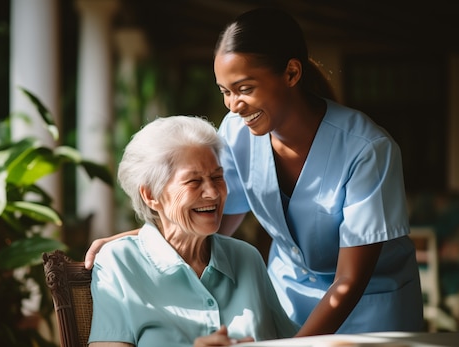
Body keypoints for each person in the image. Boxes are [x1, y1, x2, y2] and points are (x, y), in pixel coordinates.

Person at [86, 7, 423, 336]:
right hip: (285, 298)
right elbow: (211, 220)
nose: (233, 105)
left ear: (291, 73)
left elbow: (350, 280)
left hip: (368, 308)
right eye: (225, 92)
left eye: (245, 89)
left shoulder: (366, 149)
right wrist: (132, 240)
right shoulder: (237, 131)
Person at [88, 115, 299, 347]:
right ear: (150, 195)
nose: (213, 193)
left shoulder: (246, 258)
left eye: (217, 177)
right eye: (193, 182)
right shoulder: (120, 263)